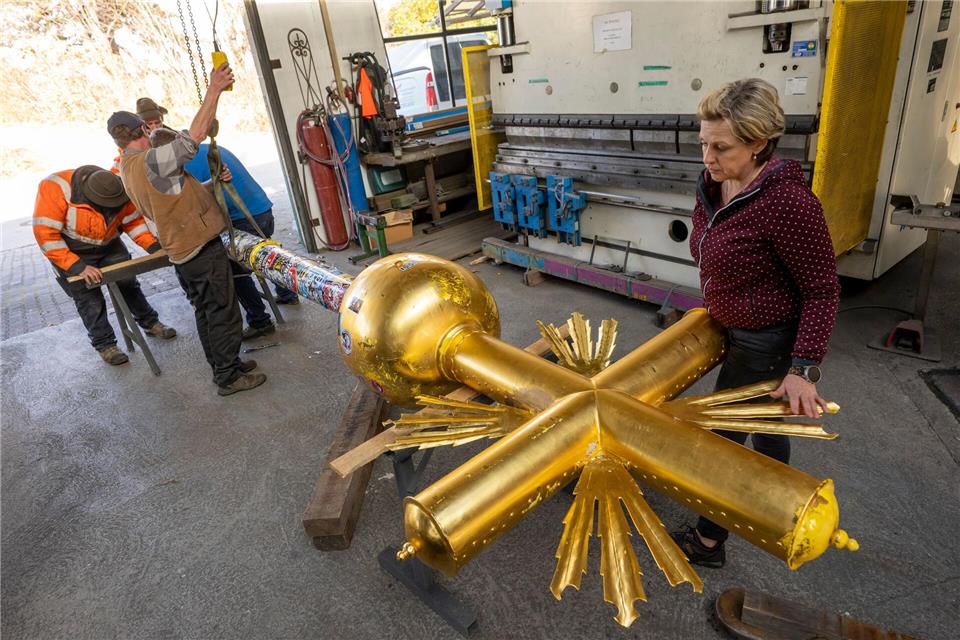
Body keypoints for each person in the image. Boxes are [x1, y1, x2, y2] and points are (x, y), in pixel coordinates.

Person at [671, 78, 840, 568]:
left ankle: (707, 542)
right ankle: (777, 508)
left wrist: (803, 368)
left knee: (723, 441)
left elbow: (822, 290)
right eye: (703, 142)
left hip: (765, 340)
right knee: (766, 426)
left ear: (760, 143)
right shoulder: (716, 184)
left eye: (721, 147)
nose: (708, 156)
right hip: (733, 325)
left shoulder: (788, 204)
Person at [108, 62, 266, 396]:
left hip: (183, 250)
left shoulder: (128, 166)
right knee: (222, 311)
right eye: (148, 128)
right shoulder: (149, 160)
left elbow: (172, 196)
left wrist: (210, 184)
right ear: (141, 130)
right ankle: (228, 377)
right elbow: (193, 138)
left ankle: (226, 366)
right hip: (198, 247)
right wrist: (214, 90)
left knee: (207, 311)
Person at [138, 95, 299, 341]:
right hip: (262, 209)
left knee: (234, 271)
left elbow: (191, 203)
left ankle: (260, 320)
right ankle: (287, 293)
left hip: (243, 218)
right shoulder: (207, 149)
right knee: (263, 254)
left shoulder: (184, 166)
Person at [32, 166, 176, 365]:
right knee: (89, 299)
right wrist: (77, 267)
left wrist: (153, 247)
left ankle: (151, 323)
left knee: (128, 283)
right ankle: (105, 345)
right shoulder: (55, 188)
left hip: (109, 244)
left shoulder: (116, 187)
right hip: (71, 251)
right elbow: (46, 236)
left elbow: (132, 222)